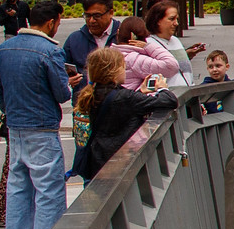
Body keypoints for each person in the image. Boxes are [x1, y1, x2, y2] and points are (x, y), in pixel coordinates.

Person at [0, 0, 70, 229]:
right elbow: (61, 93)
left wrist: (11, 110)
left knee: (18, 186)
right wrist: (69, 84)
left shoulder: (3, 50)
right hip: (43, 127)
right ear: (50, 23)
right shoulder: (51, 51)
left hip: (16, 127)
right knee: (48, 189)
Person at [71, 47, 179, 181]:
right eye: (123, 67)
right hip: (120, 161)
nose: (125, 71)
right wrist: (162, 88)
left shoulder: (89, 94)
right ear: (114, 71)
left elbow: (115, 109)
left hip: (96, 160)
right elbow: (169, 101)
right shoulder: (125, 97)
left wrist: (140, 94)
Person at [112, 16, 181, 91]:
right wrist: (149, 46)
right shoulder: (134, 59)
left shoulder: (110, 55)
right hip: (132, 100)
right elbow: (171, 66)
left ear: (118, 32)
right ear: (133, 37)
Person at [144, 0, 201, 86]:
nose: (176, 23)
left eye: (176, 19)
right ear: (158, 20)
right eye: (171, 19)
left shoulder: (175, 40)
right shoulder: (148, 44)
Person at [62, 0, 116, 82]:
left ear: (110, 13)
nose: (91, 20)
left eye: (97, 16)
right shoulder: (74, 40)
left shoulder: (124, 36)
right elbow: (62, 73)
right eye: (87, 16)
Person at [195, 50, 233, 114]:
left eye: (218, 66)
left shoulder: (233, 85)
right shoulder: (204, 87)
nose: (214, 70)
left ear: (227, 67)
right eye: (210, 67)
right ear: (207, 69)